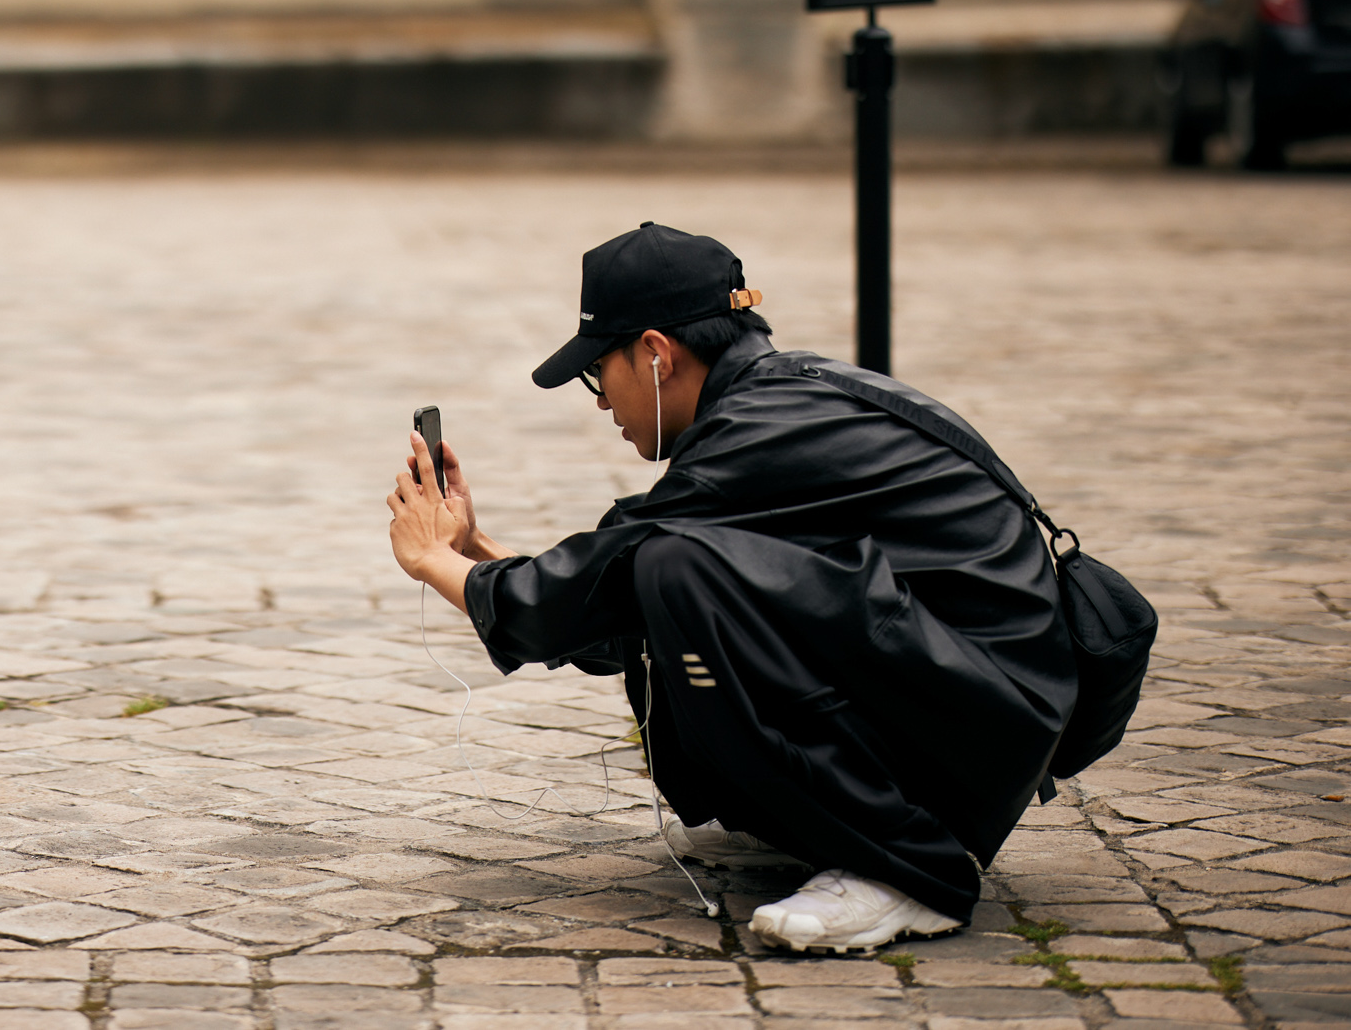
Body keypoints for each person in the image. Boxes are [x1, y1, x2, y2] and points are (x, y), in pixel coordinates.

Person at [386, 222, 1079, 952]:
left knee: (674, 567)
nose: (598, 401)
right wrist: (476, 549)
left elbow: (615, 579)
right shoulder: (768, 403)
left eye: (599, 372)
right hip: (977, 692)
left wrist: (437, 560)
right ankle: (868, 827)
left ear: (655, 354)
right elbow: (611, 596)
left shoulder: (756, 430)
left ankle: (909, 868)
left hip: (988, 705)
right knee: (667, 569)